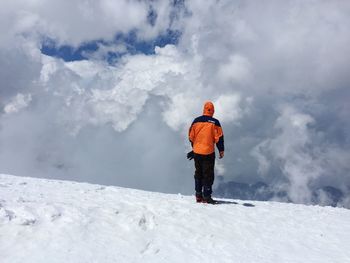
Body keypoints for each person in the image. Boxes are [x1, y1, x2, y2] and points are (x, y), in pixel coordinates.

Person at [187, 101, 224, 204]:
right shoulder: (215, 122)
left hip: (197, 152)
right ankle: (207, 196)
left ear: (204, 109)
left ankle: (198, 195)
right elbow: (219, 138)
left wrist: (194, 148)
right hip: (208, 153)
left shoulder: (196, 121)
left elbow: (191, 136)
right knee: (208, 175)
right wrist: (221, 150)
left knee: (198, 173)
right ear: (212, 111)